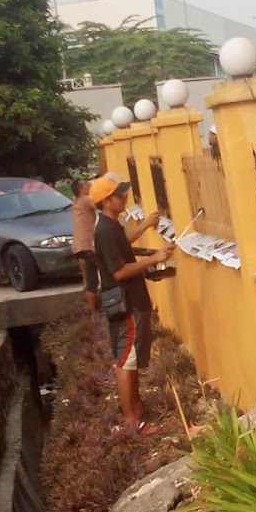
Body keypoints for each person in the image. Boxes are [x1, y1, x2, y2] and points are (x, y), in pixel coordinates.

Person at [89, 174, 175, 434]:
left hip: (131, 302)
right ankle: (132, 422)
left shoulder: (111, 225)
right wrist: (154, 258)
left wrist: (147, 228)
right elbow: (119, 272)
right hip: (126, 305)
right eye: (119, 194)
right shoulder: (105, 229)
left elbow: (122, 247)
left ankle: (136, 409)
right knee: (126, 361)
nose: (125, 197)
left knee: (131, 358)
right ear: (106, 201)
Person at [70, 177, 98, 313]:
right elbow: (101, 204)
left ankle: (91, 310)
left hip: (78, 245)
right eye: (87, 185)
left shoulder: (75, 202)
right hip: (88, 245)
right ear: (81, 189)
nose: (90, 186)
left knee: (87, 279)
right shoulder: (86, 200)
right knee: (93, 280)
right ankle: (93, 311)